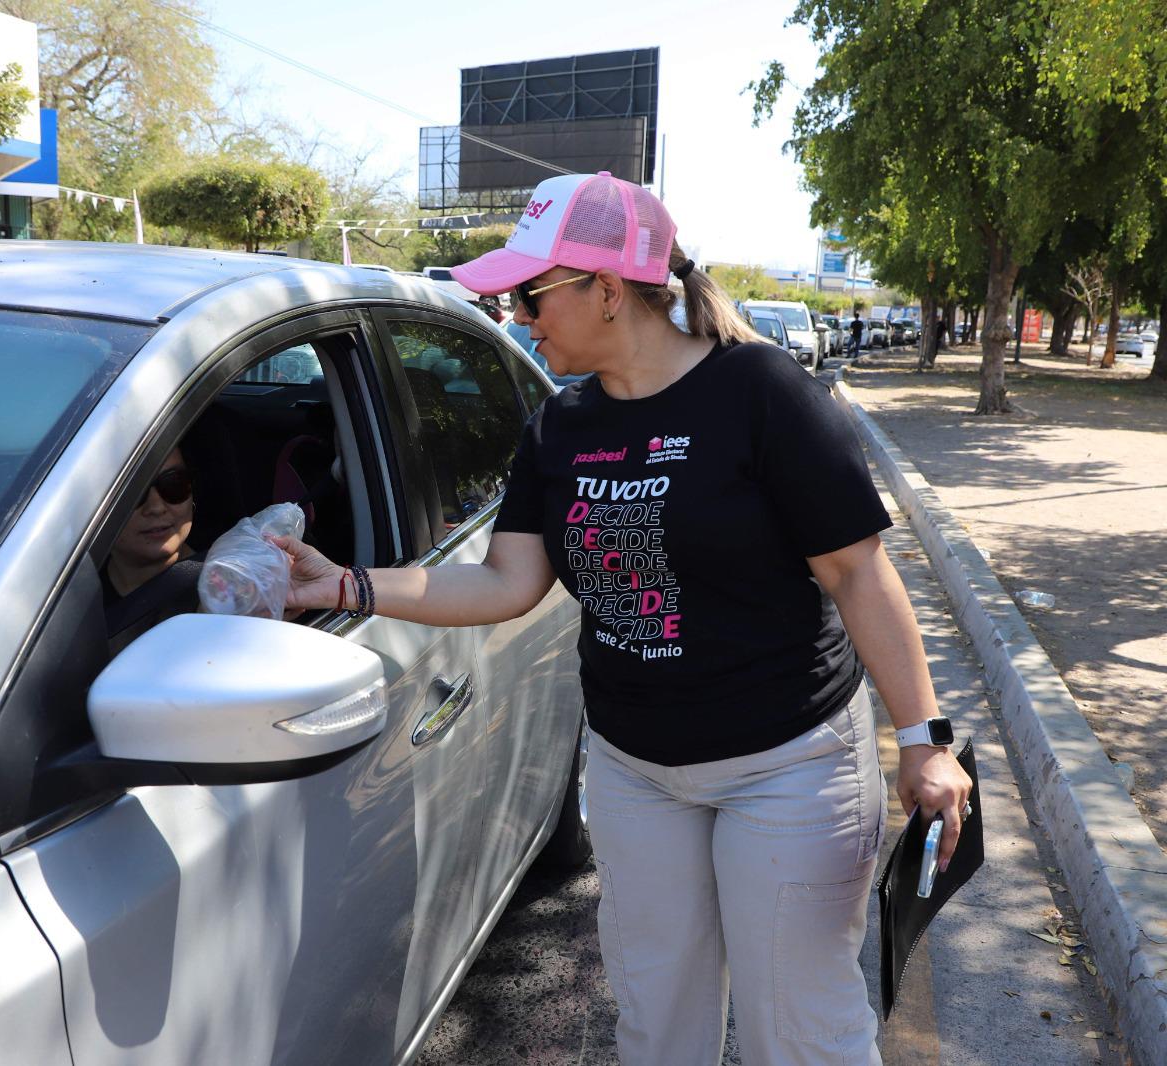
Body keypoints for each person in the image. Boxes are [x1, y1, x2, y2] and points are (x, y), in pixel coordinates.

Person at [274, 171, 972, 1066]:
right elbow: (502, 585)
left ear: (606, 289)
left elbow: (858, 573)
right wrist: (344, 586)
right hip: (635, 773)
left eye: (531, 293)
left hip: (788, 767)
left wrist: (923, 739)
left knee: (799, 1033)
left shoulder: (758, 389)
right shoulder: (557, 427)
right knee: (656, 1025)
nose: (518, 315)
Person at [100, 446, 201, 648]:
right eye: (132, 492)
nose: (156, 508)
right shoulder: (61, 598)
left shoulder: (224, 591)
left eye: (174, 484)